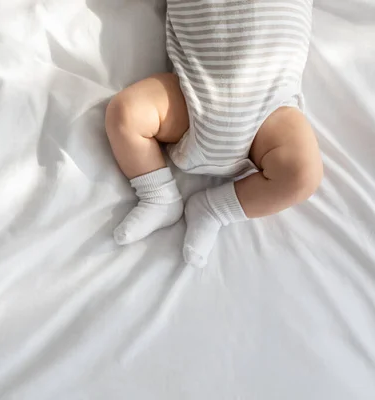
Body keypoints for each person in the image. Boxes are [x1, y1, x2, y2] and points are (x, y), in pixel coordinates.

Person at [105, 0, 322, 267]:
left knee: (302, 174)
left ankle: (215, 209)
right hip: (190, 91)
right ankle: (158, 195)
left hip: (270, 108)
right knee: (126, 112)